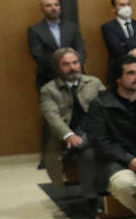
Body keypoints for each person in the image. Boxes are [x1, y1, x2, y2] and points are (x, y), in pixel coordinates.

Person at [86, 54, 136, 219]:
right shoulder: (100, 104)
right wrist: (129, 160)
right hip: (116, 161)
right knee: (123, 184)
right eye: (131, 73)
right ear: (118, 78)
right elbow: (100, 141)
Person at [39, 47, 103, 210]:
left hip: (95, 131)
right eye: (66, 64)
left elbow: (108, 106)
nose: (73, 67)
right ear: (57, 68)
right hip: (69, 136)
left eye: (75, 62)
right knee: (87, 153)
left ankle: (76, 149)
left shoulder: (93, 82)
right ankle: (91, 199)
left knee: (90, 144)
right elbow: (52, 117)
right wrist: (68, 135)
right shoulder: (48, 90)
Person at [29, 0, 86, 90]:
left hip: (75, 75)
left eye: (56, 5)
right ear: (42, 9)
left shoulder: (72, 27)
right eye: (48, 5)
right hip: (49, 77)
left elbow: (81, 50)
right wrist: (61, 68)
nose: (53, 8)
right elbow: (38, 55)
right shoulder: (35, 30)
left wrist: (73, 66)